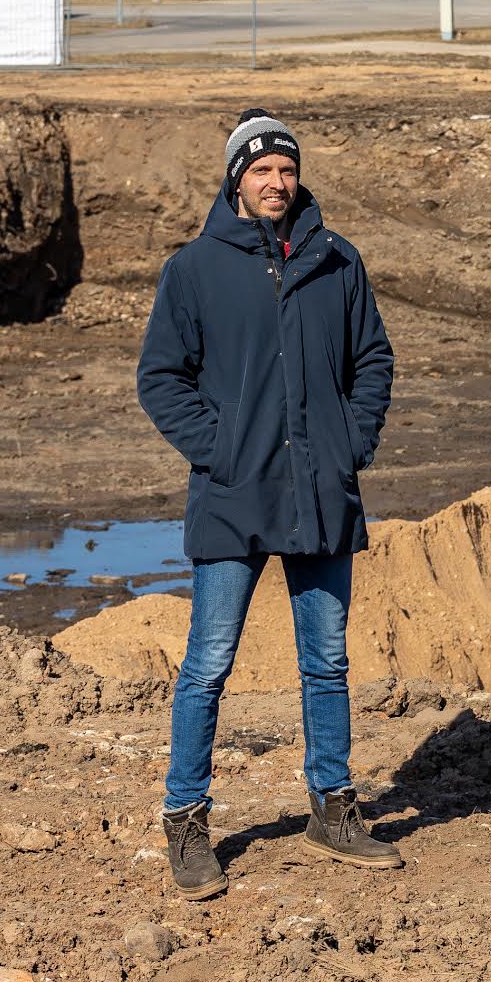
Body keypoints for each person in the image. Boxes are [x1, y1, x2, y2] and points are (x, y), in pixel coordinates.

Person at [137, 109, 399, 901]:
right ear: (235, 180)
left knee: (326, 661)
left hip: (322, 493)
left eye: (286, 170)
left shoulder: (335, 260)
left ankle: (332, 807)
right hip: (233, 494)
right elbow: (161, 378)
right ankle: (185, 819)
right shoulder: (194, 269)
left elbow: (373, 361)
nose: (277, 183)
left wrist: (349, 443)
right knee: (208, 664)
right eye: (261, 171)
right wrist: (220, 450)